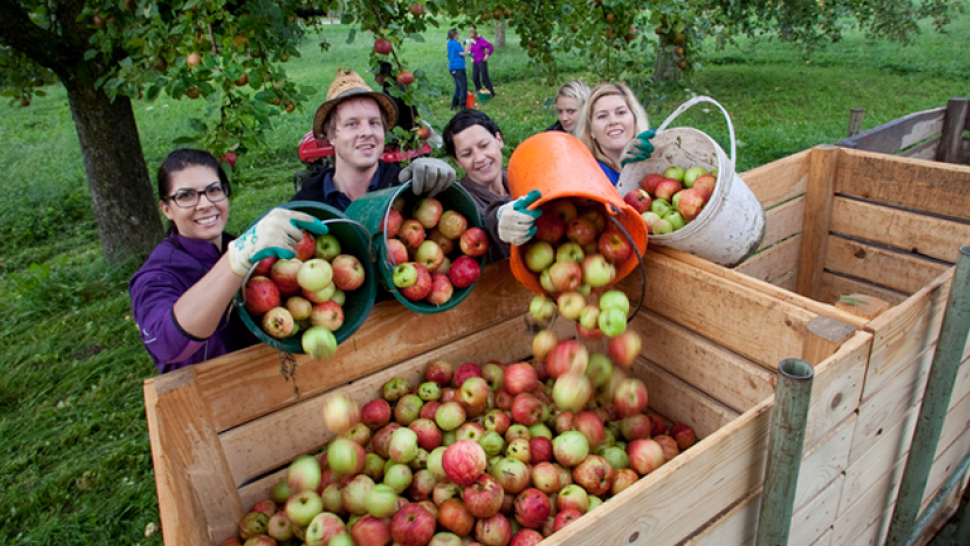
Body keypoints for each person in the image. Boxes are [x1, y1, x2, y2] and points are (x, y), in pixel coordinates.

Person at [130, 149, 329, 373]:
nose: (204, 204)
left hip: (269, 386)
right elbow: (168, 344)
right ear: (166, 209)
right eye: (186, 196)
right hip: (209, 396)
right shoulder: (157, 274)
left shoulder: (251, 251)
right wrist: (236, 259)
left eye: (213, 190)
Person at [293, 68, 456, 211]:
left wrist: (440, 179)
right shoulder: (309, 203)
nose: (367, 132)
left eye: (374, 123)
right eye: (352, 124)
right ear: (331, 136)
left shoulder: (405, 189)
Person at [442, 109, 541, 261]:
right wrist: (499, 218)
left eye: (484, 145)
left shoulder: (524, 180)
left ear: (499, 140)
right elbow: (484, 220)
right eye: (467, 154)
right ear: (457, 161)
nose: (480, 158)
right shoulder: (459, 204)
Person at [575, 81, 651, 186]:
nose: (613, 121)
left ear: (635, 119)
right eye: (602, 116)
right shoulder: (584, 175)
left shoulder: (660, 160)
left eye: (621, 112)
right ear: (590, 130)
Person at [371, 60, 416, 135]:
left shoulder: (394, 92)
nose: (375, 79)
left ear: (386, 75)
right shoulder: (390, 85)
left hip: (404, 129)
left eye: (377, 76)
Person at [468, 28, 496, 97]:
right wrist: (471, 57)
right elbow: (470, 50)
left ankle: (491, 93)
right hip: (475, 61)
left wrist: (487, 55)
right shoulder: (472, 41)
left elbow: (490, 47)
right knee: (475, 77)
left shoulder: (481, 40)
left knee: (484, 78)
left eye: (474, 37)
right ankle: (479, 91)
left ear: (476, 35)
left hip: (482, 60)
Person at [446, 28, 469, 110]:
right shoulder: (456, 44)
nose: (458, 35)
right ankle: (463, 107)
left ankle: (454, 105)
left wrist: (461, 45)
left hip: (452, 69)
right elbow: (464, 54)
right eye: (457, 34)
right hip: (459, 68)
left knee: (458, 88)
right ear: (455, 35)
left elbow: (457, 50)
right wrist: (468, 45)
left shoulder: (450, 43)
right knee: (463, 87)